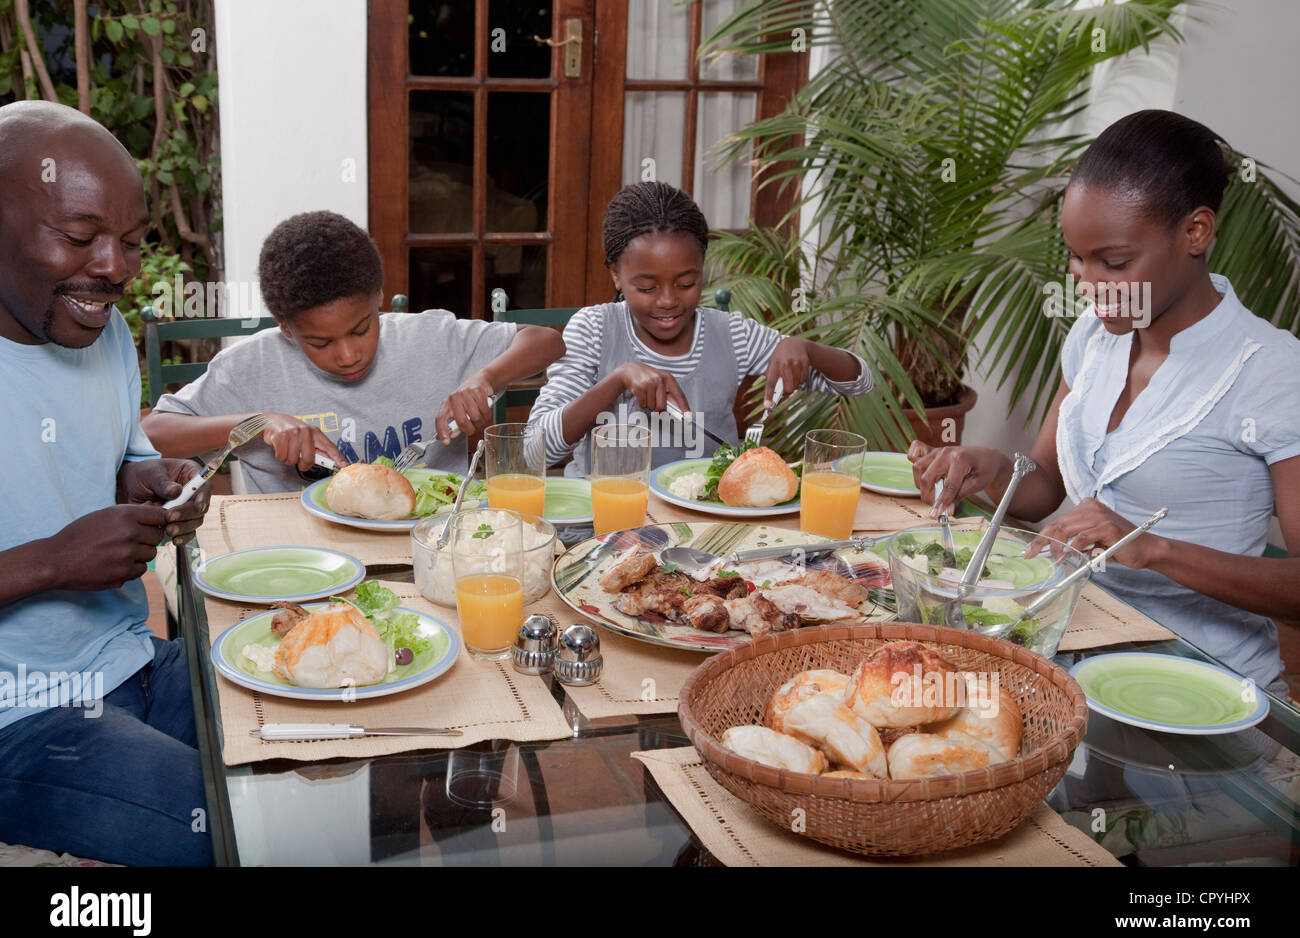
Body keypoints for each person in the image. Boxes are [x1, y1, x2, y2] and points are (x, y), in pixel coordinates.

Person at [909, 110, 1300, 696]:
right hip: (1079, 653)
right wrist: (988, 466)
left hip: (1202, 685)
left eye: (1115, 263)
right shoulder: (1094, 337)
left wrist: (1150, 547)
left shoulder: (1271, 371)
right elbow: (1043, 488)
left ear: (1196, 232)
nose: (1088, 284)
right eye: (1076, 258)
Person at [0, 101, 214, 865]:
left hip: (132, 657)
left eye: (129, 242)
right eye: (82, 237)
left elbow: (121, 459)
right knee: (230, 826)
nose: (116, 270)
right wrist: (53, 561)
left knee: (330, 731)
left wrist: (152, 478)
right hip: (20, 719)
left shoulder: (103, 329)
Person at [141, 210, 565, 492]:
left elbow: (547, 340)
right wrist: (258, 423)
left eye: (362, 329)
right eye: (320, 343)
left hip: (428, 545)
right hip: (305, 562)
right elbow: (153, 434)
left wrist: (483, 379)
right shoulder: (250, 368)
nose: (347, 355)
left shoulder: (430, 338)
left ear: (379, 297)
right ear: (285, 328)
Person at [527, 181, 874, 475]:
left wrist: (807, 349)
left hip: (707, 528)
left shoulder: (732, 335)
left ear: (703, 268)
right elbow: (535, 452)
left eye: (687, 283)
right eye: (646, 288)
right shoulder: (595, 329)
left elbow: (860, 382)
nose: (667, 301)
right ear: (616, 275)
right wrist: (617, 380)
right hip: (604, 526)